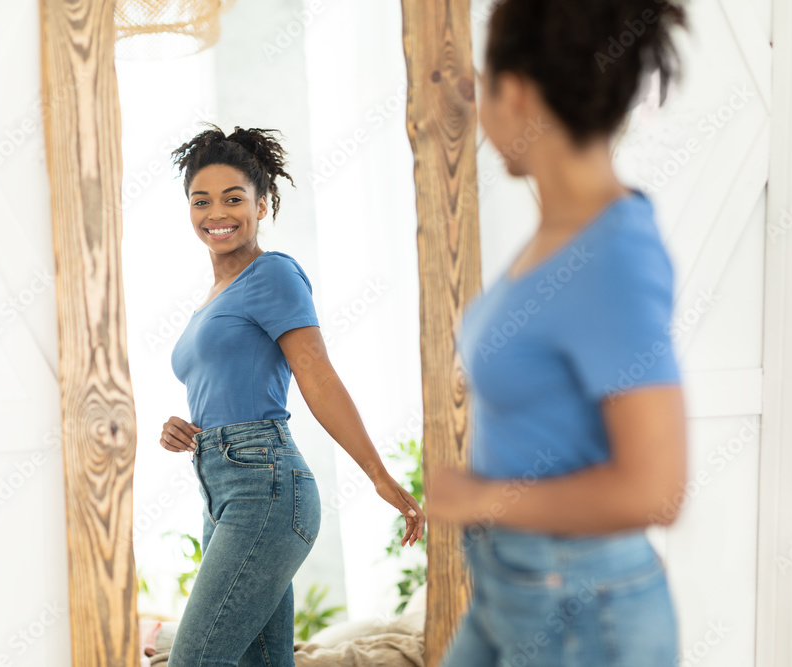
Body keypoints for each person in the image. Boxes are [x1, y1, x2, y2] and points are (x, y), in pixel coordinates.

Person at [426, 1, 689, 665]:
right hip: (512, 584)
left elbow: (656, 487)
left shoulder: (611, 257)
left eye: (487, 88)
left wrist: (480, 495)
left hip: (583, 604)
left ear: (513, 94)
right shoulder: (562, 232)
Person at [159, 123, 426, 667]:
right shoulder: (210, 300)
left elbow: (318, 377)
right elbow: (224, 385)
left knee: (196, 659)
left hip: (266, 486)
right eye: (201, 200)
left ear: (262, 204)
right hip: (220, 485)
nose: (218, 212)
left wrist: (377, 473)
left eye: (234, 198)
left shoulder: (273, 274)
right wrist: (181, 428)